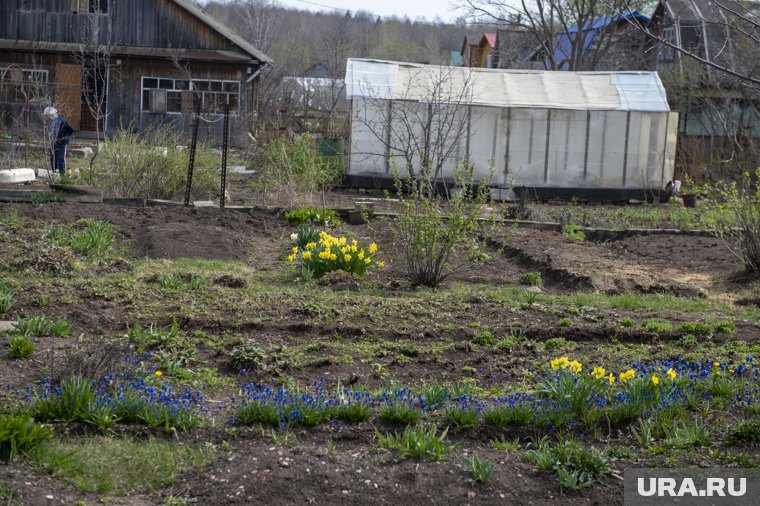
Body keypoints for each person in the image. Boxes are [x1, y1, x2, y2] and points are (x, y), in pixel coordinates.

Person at [44, 107, 74, 176]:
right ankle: (56, 173)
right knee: (53, 158)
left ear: (51, 114)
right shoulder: (53, 121)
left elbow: (70, 130)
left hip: (62, 142)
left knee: (60, 158)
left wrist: (63, 138)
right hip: (54, 142)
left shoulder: (60, 120)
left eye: (47, 116)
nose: (47, 117)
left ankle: (63, 174)